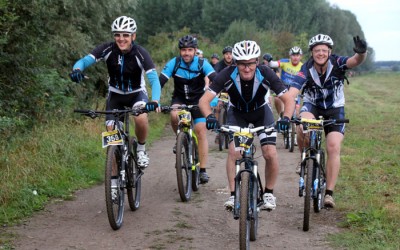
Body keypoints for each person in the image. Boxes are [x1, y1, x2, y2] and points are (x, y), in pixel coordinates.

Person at [199, 40, 295, 210]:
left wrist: (286, 118)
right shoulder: (226, 74)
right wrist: (209, 117)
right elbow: (204, 101)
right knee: (234, 152)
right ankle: (233, 195)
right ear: (235, 63)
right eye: (242, 64)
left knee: (270, 152)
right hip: (237, 114)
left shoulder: (266, 73)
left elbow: (288, 99)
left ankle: (269, 193)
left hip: (261, 112)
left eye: (251, 63)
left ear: (256, 62)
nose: (247, 68)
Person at [69, 16, 161, 169]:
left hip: (136, 94)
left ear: (133, 36)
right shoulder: (107, 49)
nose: (121, 39)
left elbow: (154, 80)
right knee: (112, 137)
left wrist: (155, 101)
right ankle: (113, 184)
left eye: (125, 35)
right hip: (115, 95)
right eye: (117, 34)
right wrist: (77, 69)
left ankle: (141, 149)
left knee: (140, 118)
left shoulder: (141, 53)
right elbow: (85, 61)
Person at [290, 34, 368, 208]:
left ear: (329, 52)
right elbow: (293, 91)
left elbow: (355, 61)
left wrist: (362, 52)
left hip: (335, 109)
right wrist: (287, 114)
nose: (321, 53)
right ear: (311, 53)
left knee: (333, 146)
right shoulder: (305, 68)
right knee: (302, 126)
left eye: (324, 50)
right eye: (317, 50)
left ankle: (329, 194)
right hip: (313, 106)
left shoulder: (337, 62)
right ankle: (304, 157)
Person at [159, 35, 217, 184]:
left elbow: (216, 80)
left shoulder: (202, 63)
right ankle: (179, 137)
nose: (186, 53)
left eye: (190, 50)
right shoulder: (175, 63)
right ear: (180, 51)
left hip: (199, 100)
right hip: (180, 99)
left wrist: (215, 98)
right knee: (173, 115)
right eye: (184, 50)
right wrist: (155, 100)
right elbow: (160, 82)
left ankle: (203, 170)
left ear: (195, 50)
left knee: (201, 130)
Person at [269, 46, 303, 119]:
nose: (295, 57)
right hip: (283, 88)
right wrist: (269, 59)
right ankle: (281, 116)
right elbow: (272, 64)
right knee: (277, 98)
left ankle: (292, 121)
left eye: (297, 55)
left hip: (295, 90)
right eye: (293, 55)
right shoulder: (285, 62)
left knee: (296, 116)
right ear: (290, 56)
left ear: (300, 56)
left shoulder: (302, 67)